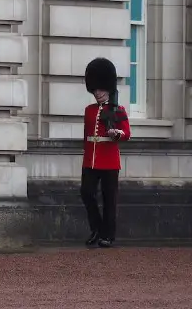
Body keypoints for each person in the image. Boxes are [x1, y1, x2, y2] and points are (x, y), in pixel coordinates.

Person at [81, 57, 131, 248]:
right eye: (95, 90)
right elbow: (86, 136)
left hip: (109, 160)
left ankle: (107, 235)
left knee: (109, 200)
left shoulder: (118, 109)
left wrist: (116, 133)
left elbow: (126, 133)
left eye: (100, 89)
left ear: (108, 88)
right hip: (91, 160)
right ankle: (96, 228)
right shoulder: (89, 110)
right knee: (86, 193)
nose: (98, 93)